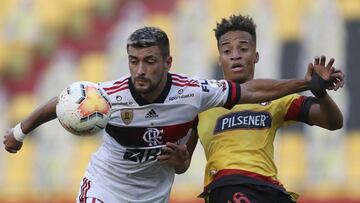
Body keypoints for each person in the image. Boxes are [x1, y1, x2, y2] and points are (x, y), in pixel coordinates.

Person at [3, 26, 341, 203]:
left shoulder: (193, 94)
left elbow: (247, 92)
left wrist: (307, 83)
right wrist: (19, 132)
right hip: (106, 187)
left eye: (149, 61)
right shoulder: (107, 95)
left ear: (167, 63)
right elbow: (59, 102)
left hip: (152, 196)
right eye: (133, 60)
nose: (140, 70)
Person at [158, 15, 345, 203]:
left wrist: (321, 94)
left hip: (272, 189)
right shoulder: (203, 102)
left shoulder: (276, 97)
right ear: (219, 59)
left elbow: (334, 123)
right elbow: (182, 164)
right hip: (228, 185)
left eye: (243, 49)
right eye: (227, 50)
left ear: (255, 56)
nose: (235, 55)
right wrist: (180, 161)